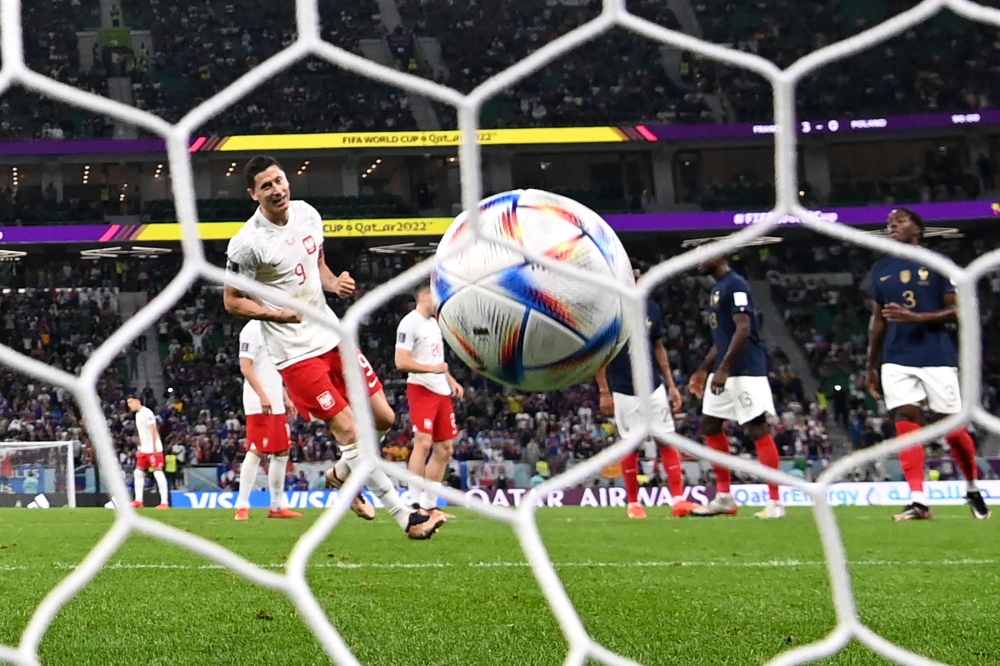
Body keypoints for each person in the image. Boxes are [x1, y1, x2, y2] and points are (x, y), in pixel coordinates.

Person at [224, 156, 444, 539]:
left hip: (332, 336)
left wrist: (333, 283)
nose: (276, 190)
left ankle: (342, 474)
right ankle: (406, 518)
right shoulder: (247, 244)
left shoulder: (308, 214)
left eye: (279, 180)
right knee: (350, 431)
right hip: (295, 354)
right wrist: (277, 315)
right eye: (266, 186)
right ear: (253, 194)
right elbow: (232, 300)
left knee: (384, 418)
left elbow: (318, 267)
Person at [865, 208, 990, 521]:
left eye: (901, 220)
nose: (893, 225)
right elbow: (878, 320)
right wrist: (871, 364)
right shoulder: (881, 269)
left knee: (952, 428)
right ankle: (918, 501)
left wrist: (916, 318)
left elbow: (959, 311)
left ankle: (972, 487)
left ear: (918, 230)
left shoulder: (939, 264)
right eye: (890, 222)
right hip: (896, 357)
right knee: (906, 420)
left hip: (936, 355)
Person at [595, 267, 698, 519]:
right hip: (624, 389)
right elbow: (600, 355)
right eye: (631, 275)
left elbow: (659, 348)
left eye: (638, 275)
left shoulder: (651, 308)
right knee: (630, 445)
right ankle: (634, 504)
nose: (636, 279)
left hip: (653, 387)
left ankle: (678, 500)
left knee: (666, 439)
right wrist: (604, 390)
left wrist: (671, 384)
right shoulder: (610, 311)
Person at [688, 255, 784, 519]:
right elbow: (724, 337)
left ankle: (775, 503)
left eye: (704, 253)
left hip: (745, 370)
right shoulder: (718, 288)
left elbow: (743, 329)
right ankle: (724, 497)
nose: (698, 259)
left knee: (756, 428)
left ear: (720, 255)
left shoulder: (736, 284)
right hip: (725, 369)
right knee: (710, 425)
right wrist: (704, 368)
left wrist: (724, 369)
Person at [234, 319, 314, 520]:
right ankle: (242, 505)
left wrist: (285, 397)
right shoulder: (251, 329)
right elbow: (246, 367)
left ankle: (277, 506)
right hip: (258, 401)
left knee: (282, 450)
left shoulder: (274, 327)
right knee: (256, 450)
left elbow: (274, 369)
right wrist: (263, 396)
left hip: (276, 400)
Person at [395, 281, 463, 512]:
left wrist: (450, 380)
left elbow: (437, 360)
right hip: (421, 388)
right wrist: (432, 370)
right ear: (424, 297)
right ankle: (414, 501)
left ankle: (430, 504)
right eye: (436, 296)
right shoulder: (409, 323)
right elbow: (401, 361)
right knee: (423, 443)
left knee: (445, 449)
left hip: (441, 390)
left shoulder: (434, 323)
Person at [128, 396, 170, 509]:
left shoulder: (147, 412)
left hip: (153, 448)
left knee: (157, 472)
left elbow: (154, 429)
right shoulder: (137, 415)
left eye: (131, 402)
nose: (129, 405)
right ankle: (138, 500)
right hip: (144, 449)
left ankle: (164, 502)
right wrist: (140, 447)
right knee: (138, 472)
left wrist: (155, 447)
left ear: (137, 401)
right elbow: (141, 432)